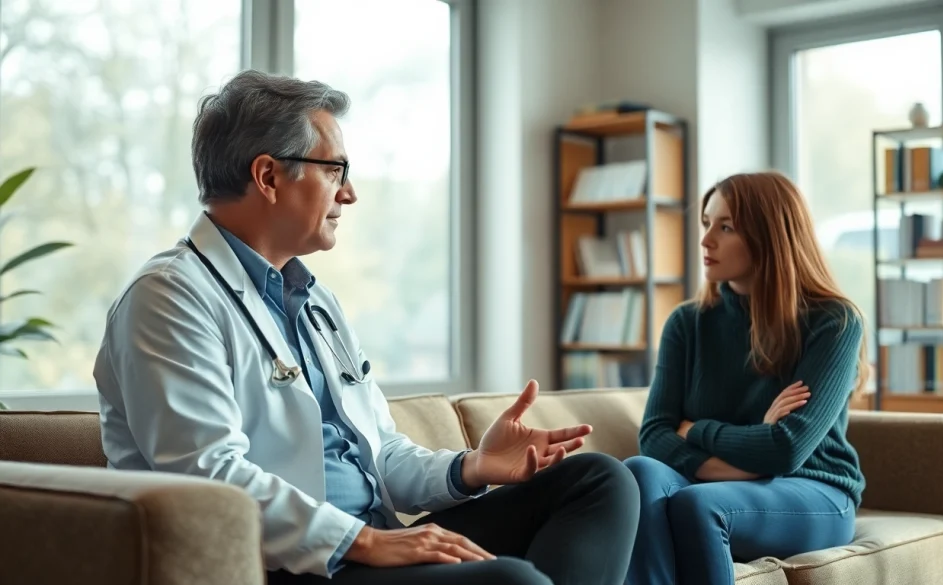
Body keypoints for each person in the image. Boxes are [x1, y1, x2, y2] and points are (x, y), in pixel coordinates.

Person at [92, 69, 640, 585]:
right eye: (336, 171)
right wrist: (366, 541)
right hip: (288, 565)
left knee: (599, 481)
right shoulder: (168, 297)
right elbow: (210, 479)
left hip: (371, 545)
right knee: (512, 581)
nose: (349, 193)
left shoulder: (315, 302)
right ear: (268, 176)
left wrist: (472, 466)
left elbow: (380, 453)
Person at [623, 171, 868, 585]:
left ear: (770, 236)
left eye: (726, 227)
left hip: (817, 489)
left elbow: (787, 448)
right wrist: (747, 462)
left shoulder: (834, 321)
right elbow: (654, 436)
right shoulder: (687, 323)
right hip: (719, 484)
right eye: (707, 223)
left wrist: (696, 429)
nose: (706, 240)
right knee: (639, 473)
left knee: (698, 505)